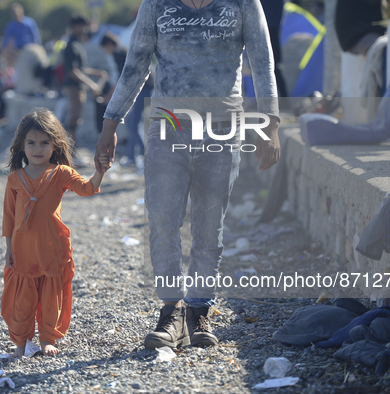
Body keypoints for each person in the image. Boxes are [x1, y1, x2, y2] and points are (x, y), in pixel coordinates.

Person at [95, 0, 281, 349]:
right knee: (163, 218)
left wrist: (270, 125)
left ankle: (199, 310)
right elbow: (135, 65)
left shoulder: (242, 4)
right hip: (169, 126)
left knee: (209, 224)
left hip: (223, 128)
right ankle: (171, 312)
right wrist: (111, 122)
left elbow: (262, 62)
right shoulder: (157, 4)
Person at [1, 108, 107, 357]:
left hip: (52, 246)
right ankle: (20, 344)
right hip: (23, 249)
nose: (38, 149)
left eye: (44, 143)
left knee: (51, 295)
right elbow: (9, 217)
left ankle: (48, 339)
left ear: (56, 145)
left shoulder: (61, 173)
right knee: (22, 298)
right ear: (21, 146)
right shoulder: (15, 179)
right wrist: (8, 248)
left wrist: (100, 171)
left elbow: (88, 189)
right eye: (31, 143)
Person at [62, 15, 108, 143]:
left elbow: (81, 68)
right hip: (73, 87)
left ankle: (72, 150)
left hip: (79, 87)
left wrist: (96, 73)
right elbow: (73, 71)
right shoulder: (70, 45)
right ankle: (69, 150)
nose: (84, 30)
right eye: (82, 27)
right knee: (72, 120)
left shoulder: (77, 44)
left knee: (77, 119)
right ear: (74, 27)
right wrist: (92, 84)